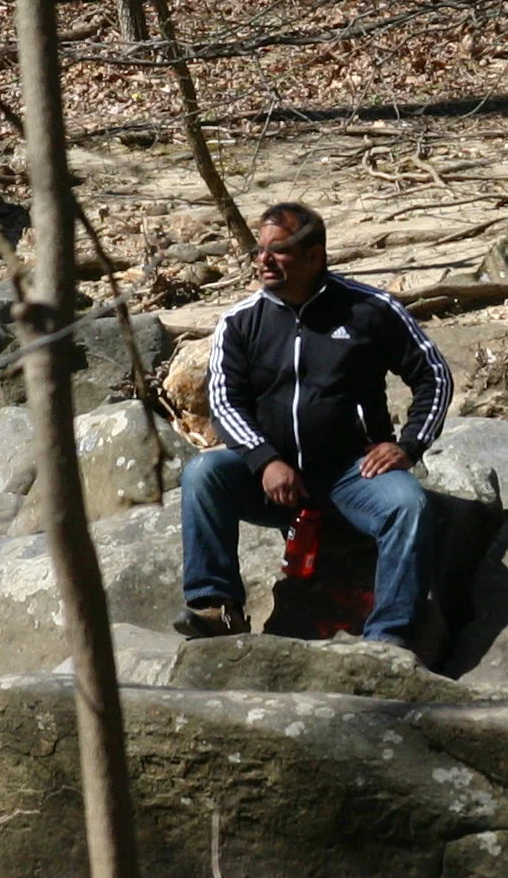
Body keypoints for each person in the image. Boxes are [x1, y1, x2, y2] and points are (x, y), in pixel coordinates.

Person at [177, 202, 453, 648]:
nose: (263, 260)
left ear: (314, 256)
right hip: (275, 481)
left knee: (409, 504)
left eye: (278, 250)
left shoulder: (369, 308)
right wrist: (265, 460)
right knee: (203, 474)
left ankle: (390, 638)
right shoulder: (241, 321)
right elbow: (224, 402)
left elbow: (433, 374)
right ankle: (217, 608)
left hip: (352, 476)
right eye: (258, 250)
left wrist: (410, 444)